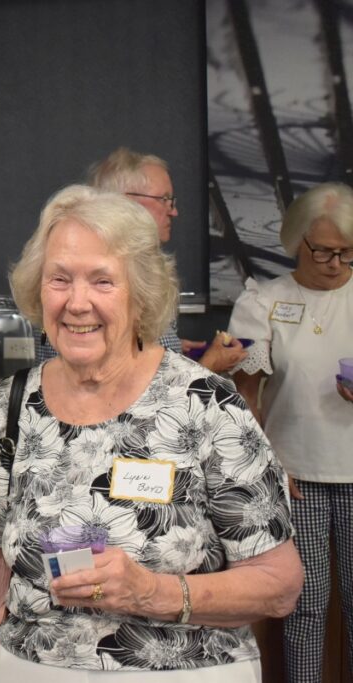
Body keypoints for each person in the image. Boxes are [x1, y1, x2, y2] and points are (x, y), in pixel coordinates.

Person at [0, 185, 303, 682]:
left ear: (141, 292)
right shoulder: (14, 402)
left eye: (102, 281)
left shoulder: (206, 404)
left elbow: (280, 585)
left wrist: (154, 592)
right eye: (59, 278)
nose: (76, 302)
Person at [227, 182, 353, 682]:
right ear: (296, 241)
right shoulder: (265, 300)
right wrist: (267, 463)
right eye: (322, 249)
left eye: (346, 252)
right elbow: (241, 398)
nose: (334, 262)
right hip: (293, 475)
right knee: (304, 608)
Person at [34, 148, 247, 374]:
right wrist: (210, 365)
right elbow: (144, 396)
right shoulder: (137, 280)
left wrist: (167, 348)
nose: (173, 211)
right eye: (164, 199)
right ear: (126, 203)